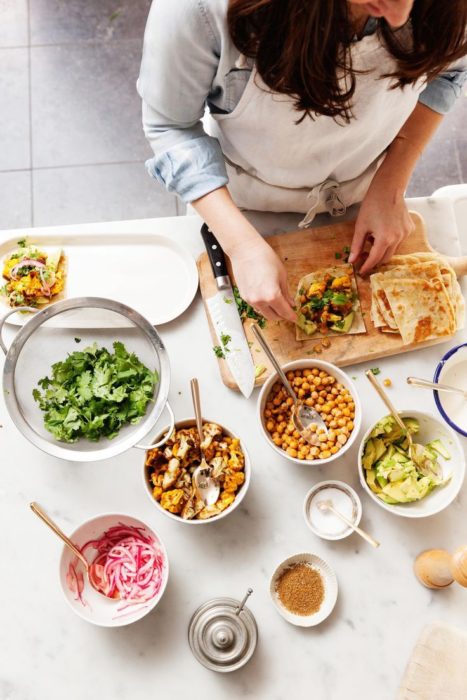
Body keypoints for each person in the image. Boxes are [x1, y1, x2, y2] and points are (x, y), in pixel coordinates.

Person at [138, 0, 467, 322]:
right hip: (237, 205)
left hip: (364, 197)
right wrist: (240, 246)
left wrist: (391, 185)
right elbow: (171, 127)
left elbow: (449, 73)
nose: (400, 16)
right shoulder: (197, 9)